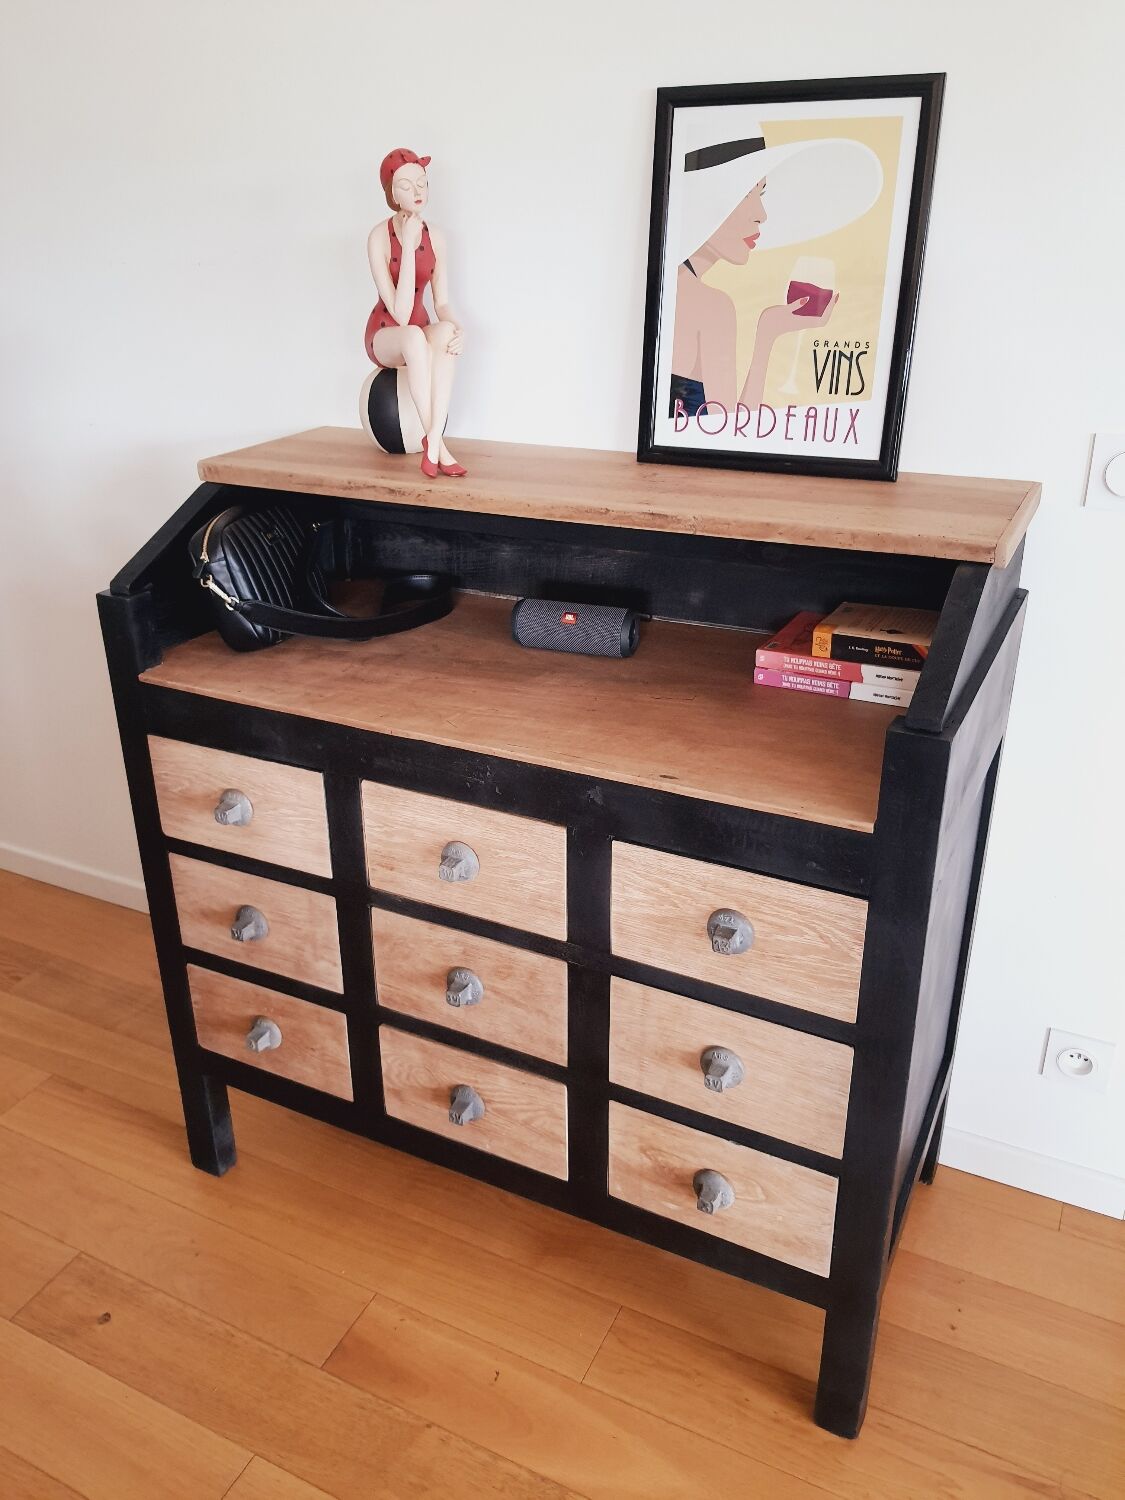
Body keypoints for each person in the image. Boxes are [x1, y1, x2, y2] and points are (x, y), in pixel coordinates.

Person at [670, 127, 882, 419]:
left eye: (761, 192)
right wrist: (766, 337)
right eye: (745, 193)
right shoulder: (710, 306)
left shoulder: (669, 286)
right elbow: (730, 434)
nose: (762, 214)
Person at [365, 148, 466, 477]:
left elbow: (441, 302)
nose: (418, 191)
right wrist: (407, 246)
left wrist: (458, 327)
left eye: (422, 182)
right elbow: (402, 312)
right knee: (411, 335)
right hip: (386, 332)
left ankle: (433, 440)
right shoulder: (379, 237)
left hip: (419, 331)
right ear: (391, 192)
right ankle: (438, 446)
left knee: (447, 332)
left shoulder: (436, 236)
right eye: (407, 185)